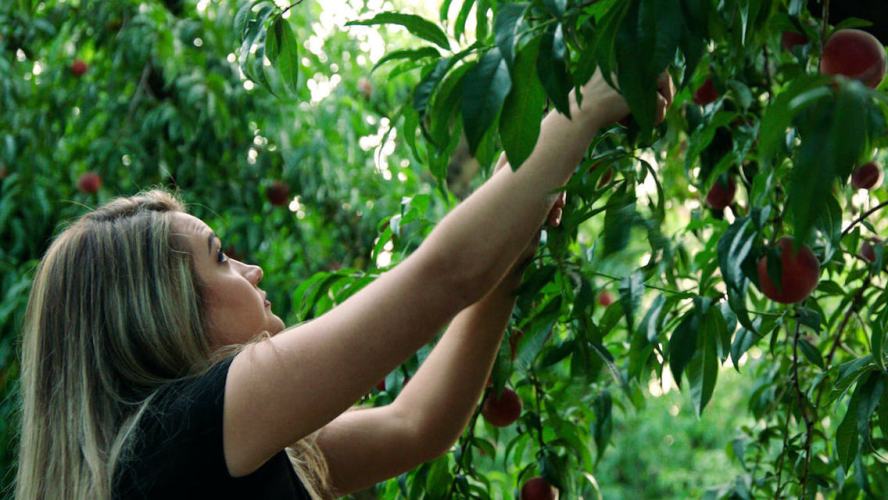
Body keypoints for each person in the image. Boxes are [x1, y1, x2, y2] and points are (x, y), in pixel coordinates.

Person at [14, 69, 674, 499]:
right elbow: (441, 277)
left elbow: (416, 424)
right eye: (221, 260)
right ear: (159, 312)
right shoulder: (187, 428)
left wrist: (514, 252)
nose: (253, 270)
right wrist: (583, 107)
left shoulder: (194, 454)